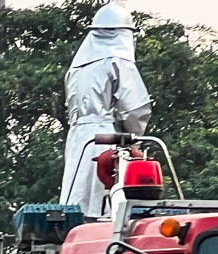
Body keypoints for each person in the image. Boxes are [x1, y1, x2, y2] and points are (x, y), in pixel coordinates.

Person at [58, 2, 151, 220]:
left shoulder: (76, 68)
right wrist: (133, 138)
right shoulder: (118, 60)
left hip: (78, 139)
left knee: (77, 195)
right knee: (107, 203)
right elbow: (135, 108)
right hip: (106, 137)